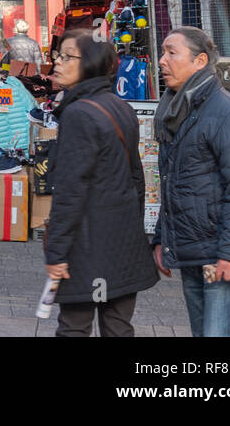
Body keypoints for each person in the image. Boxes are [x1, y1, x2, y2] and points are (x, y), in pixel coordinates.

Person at [43, 31, 159, 336]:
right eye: (58, 55)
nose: (57, 61)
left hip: (88, 243)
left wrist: (56, 252)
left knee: (74, 327)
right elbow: (137, 178)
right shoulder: (118, 105)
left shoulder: (79, 113)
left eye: (67, 56)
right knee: (118, 327)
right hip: (123, 242)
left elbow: (71, 189)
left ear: (90, 64)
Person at [154, 27, 230, 337]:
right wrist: (162, 239)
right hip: (195, 253)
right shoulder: (177, 111)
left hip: (223, 257)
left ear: (200, 60)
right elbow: (173, 183)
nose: (162, 60)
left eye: (171, 52)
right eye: (163, 52)